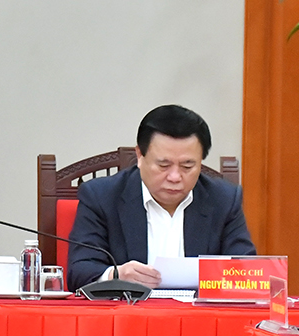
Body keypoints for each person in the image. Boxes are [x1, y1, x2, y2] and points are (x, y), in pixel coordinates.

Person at [65, 104, 254, 290]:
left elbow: (247, 271)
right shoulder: (101, 196)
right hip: (127, 316)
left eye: (187, 166)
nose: (175, 177)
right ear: (139, 155)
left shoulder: (224, 199)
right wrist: (117, 275)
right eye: (163, 165)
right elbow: (79, 271)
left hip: (198, 317)